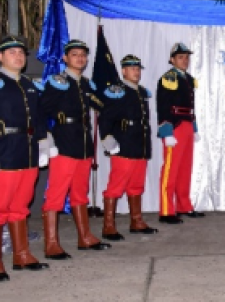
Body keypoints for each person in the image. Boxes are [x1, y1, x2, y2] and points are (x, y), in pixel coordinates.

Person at [0, 36, 50, 282]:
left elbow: (37, 119)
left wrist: (43, 145)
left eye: (21, 52)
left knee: (20, 207)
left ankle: (22, 254)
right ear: (0, 56)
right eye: (12, 52)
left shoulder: (28, 85)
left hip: (27, 154)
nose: (18, 56)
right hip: (3, 152)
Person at [40, 39, 112, 258]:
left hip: (83, 145)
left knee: (81, 193)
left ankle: (85, 237)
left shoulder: (85, 84)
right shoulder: (57, 82)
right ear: (65, 58)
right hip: (63, 143)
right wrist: (46, 139)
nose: (80, 58)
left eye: (83, 54)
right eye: (75, 54)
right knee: (56, 194)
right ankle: (51, 243)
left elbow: (101, 106)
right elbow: (41, 111)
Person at [99, 54, 159, 240]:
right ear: (124, 71)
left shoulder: (141, 92)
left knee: (136, 185)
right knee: (116, 186)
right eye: (132, 68)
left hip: (139, 145)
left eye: (138, 68)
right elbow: (106, 117)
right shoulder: (117, 90)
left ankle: (136, 220)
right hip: (123, 145)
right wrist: (107, 139)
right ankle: (108, 225)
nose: (136, 72)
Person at [156, 43, 204, 224]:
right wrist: (167, 131)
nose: (185, 61)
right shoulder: (168, 78)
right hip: (174, 126)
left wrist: (195, 128)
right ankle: (166, 211)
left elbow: (191, 107)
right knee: (171, 169)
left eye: (186, 57)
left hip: (186, 126)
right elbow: (163, 107)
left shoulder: (188, 79)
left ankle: (184, 205)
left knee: (185, 169)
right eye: (181, 57)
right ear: (172, 60)